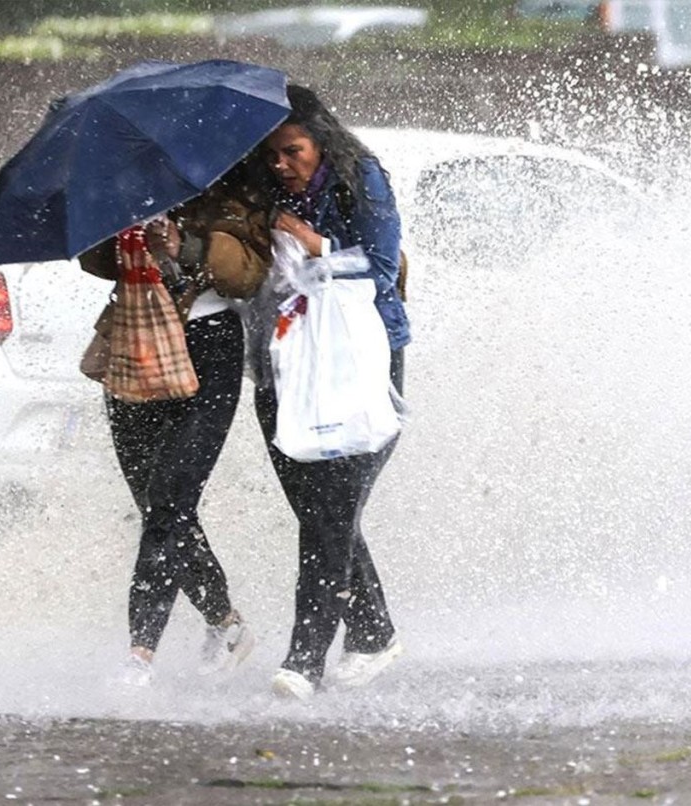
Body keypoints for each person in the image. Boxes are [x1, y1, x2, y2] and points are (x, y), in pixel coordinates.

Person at [79, 164, 271, 687]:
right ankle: (227, 622)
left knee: (170, 501)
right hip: (135, 339)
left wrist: (183, 243)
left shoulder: (239, 184)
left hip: (211, 348)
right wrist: (116, 225)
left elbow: (250, 275)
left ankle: (140, 654)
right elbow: (91, 260)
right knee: (155, 506)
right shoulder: (126, 181)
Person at [250, 85, 411, 700]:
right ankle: (372, 633)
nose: (282, 165)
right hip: (284, 361)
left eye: (292, 151)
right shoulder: (261, 194)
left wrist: (311, 243)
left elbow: (382, 262)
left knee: (332, 510)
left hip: (360, 358)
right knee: (318, 511)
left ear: (322, 141)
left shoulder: (360, 177)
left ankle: (303, 659)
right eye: (271, 156)